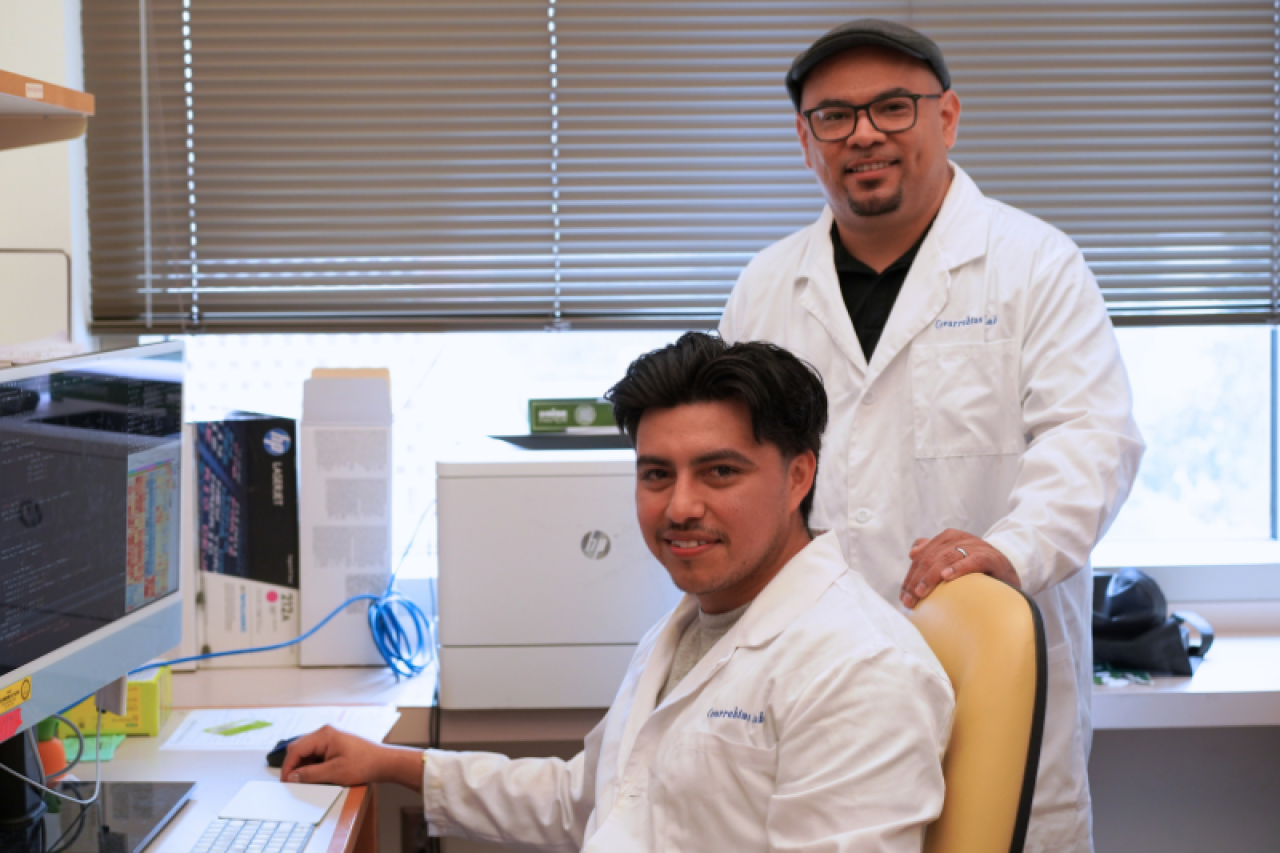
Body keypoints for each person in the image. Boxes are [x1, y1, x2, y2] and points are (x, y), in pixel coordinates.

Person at [718, 18, 1146, 853]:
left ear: (947, 117)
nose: (864, 133)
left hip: (985, 698)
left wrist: (1009, 550)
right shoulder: (766, 287)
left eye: (892, 107)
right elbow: (736, 475)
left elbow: (1094, 436)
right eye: (833, 117)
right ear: (805, 142)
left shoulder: (1035, 265)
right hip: (818, 697)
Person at [282, 332, 954, 852]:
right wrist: (391, 762)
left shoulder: (860, 670)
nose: (680, 506)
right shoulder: (692, 624)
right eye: (657, 474)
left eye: (720, 471)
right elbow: (591, 797)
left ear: (798, 476)